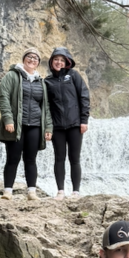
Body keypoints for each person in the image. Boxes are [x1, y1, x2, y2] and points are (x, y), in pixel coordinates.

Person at [0, 49, 53, 199]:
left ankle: (32, 192)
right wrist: (8, 119)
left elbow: (46, 107)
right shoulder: (12, 76)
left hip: (35, 125)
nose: (32, 60)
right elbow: (3, 97)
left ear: (38, 62)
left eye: (36, 58)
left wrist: (48, 127)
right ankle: (8, 191)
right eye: (29, 57)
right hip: (16, 125)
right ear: (24, 59)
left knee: (31, 159)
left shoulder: (41, 82)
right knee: (13, 158)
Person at [45, 47, 90, 199]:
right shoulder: (48, 81)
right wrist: (48, 127)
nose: (59, 62)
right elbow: (46, 106)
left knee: (74, 158)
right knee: (59, 158)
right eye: (56, 59)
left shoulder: (73, 75)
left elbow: (84, 96)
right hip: (57, 127)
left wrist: (84, 120)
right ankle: (60, 191)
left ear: (67, 62)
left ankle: (76, 191)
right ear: (51, 62)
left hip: (75, 124)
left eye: (62, 60)